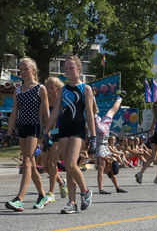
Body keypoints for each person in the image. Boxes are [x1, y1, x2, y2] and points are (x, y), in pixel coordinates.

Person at [43, 55, 96, 214]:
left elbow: (89, 114)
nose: (68, 71)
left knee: (72, 163)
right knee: (68, 167)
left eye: (71, 68)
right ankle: (72, 203)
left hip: (78, 130)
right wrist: (46, 132)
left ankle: (85, 191)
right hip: (64, 130)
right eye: (65, 69)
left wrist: (93, 136)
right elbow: (55, 113)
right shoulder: (63, 89)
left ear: (79, 70)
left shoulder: (86, 88)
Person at [5, 58, 51, 211]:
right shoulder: (18, 90)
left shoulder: (40, 88)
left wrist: (47, 133)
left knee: (26, 161)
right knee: (30, 163)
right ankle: (43, 195)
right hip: (22, 128)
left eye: (25, 69)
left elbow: (45, 113)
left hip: (34, 128)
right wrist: (8, 133)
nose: (22, 72)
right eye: (20, 69)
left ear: (33, 70)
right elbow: (13, 113)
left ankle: (19, 199)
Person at [92, 91, 128, 194]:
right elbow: (100, 173)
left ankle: (119, 97)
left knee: (111, 111)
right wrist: (101, 190)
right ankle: (95, 97)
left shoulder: (108, 162)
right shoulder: (104, 159)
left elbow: (104, 173)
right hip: (101, 137)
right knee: (107, 112)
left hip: (103, 135)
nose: (109, 172)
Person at [41, 77, 68, 204]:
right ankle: (61, 182)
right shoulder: (44, 102)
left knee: (52, 163)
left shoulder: (62, 103)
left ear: (58, 89)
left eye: (52, 87)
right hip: (47, 135)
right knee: (45, 165)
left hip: (59, 135)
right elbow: (42, 120)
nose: (49, 89)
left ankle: (51, 193)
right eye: (48, 87)